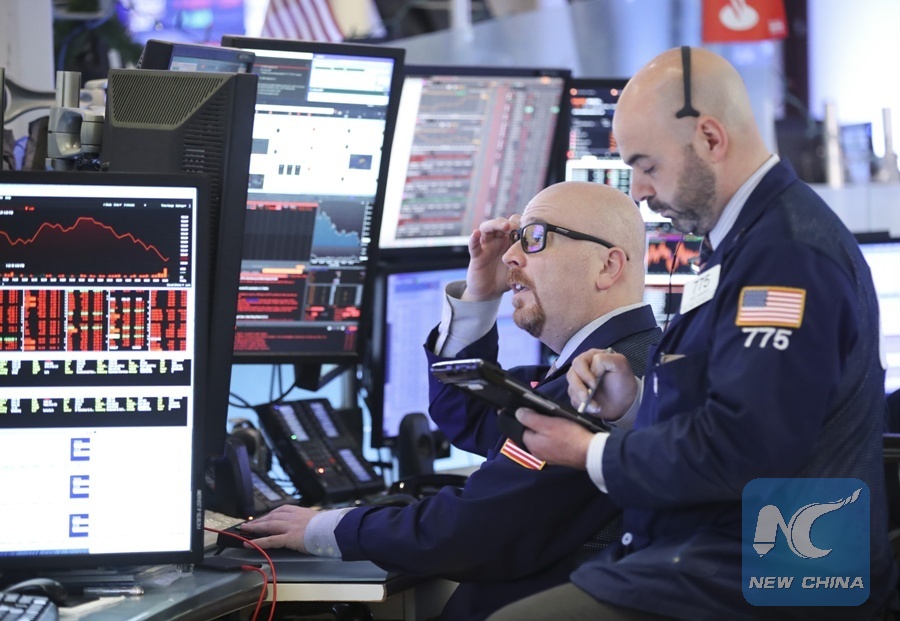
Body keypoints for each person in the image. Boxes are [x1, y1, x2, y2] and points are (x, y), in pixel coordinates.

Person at [487, 46, 898, 621]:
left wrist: (590, 452)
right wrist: (634, 403)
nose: (638, 190)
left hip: (778, 573)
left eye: (647, 165)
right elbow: (735, 395)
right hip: (713, 554)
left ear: (709, 138)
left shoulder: (787, 255)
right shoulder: (742, 241)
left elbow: (747, 445)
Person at [239, 181, 662, 620]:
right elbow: (470, 416)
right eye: (515, 238)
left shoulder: (604, 385)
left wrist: (324, 527)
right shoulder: (625, 360)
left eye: (535, 238)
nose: (510, 255)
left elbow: (477, 530)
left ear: (608, 266)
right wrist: (480, 295)